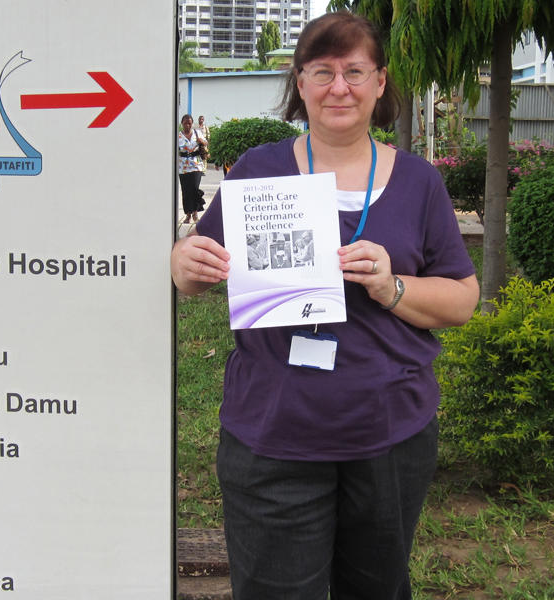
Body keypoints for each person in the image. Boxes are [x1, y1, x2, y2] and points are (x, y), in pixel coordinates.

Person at [170, 12, 479, 600]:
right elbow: (197, 272)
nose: (340, 86)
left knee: (377, 589)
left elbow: (463, 298)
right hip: (274, 437)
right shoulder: (258, 172)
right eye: (323, 71)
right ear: (300, 81)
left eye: (355, 71)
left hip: (389, 436)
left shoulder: (418, 182)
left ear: (381, 83)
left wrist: (393, 287)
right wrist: (184, 262)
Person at [178, 113, 207, 224]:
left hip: (196, 165)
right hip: (183, 167)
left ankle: (195, 212)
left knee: (194, 189)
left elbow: (206, 143)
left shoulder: (197, 133)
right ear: (182, 124)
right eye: (185, 123)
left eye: (190, 123)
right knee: (186, 191)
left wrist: (201, 141)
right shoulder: (178, 136)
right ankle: (188, 215)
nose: (188, 126)